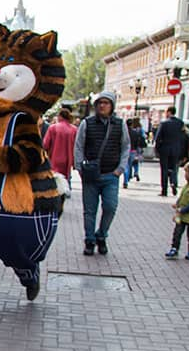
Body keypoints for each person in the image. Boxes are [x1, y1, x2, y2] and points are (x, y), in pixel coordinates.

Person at [74, 91, 129, 256]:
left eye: (106, 103)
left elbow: (125, 146)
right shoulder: (87, 123)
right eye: (99, 103)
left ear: (111, 106)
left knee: (110, 207)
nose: (102, 106)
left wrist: (120, 169)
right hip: (90, 175)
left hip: (111, 175)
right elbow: (79, 146)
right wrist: (79, 167)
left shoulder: (120, 124)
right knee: (89, 210)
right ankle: (90, 240)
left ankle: (102, 235)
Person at [154, 106, 188, 197]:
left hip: (165, 150)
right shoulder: (180, 123)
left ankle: (164, 190)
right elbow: (184, 137)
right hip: (176, 150)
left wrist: (157, 149)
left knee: (164, 170)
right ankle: (173, 183)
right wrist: (183, 151)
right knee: (173, 169)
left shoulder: (164, 123)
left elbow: (158, 138)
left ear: (169, 112)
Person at [43, 108, 77, 184]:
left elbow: (45, 144)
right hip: (68, 160)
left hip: (54, 158)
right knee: (66, 180)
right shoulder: (74, 129)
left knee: (55, 180)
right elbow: (76, 146)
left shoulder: (53, 128)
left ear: (60, 116)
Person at [123, 118, 146, 188]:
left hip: (125, 151)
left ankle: (125, 181)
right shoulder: (135, 132)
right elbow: (138, 142)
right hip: (133, 151)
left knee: (126, 166)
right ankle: (132, 174)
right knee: (130, 165)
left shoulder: (124, 132)